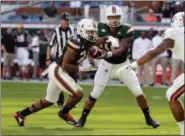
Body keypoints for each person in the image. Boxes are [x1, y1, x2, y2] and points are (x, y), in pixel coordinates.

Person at [13, 18, 119, 127]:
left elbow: (99, 40)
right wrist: (84, 69)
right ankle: (63, 113)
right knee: (78, 93)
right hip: (59, 70)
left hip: (62, 71)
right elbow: (66, 65)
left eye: (93, 32)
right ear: (82, 31)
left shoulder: (87, 40)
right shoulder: (75, 43)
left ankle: (20, 114)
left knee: (49, 100)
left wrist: (109, 38)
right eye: (90, 32)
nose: (93, 34)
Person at [75, 5, 160, 128]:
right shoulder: (100, 27)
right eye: (112, 17)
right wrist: (102, 40)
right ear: (107, 17)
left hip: (123, 66)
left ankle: (148, 118)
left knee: (138, 92)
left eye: (116, 17)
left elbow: (122, 49)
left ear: (121, 17)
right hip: (106, 65)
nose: (114, 19)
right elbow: (91, 42)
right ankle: (82, 119)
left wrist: (107, 53)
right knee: (95, 93)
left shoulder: (127, 29)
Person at [119, 12, 184, 135]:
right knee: (171, 93)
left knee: (172, 95)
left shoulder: (173, 33)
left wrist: (132, 65)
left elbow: (154, 52)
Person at [46, 12, 75, 107]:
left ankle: (72, 101)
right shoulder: (56, 31)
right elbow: (50, 45)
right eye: (65, 20)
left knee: (73, 79)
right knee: (59, 79)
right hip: (60, 59)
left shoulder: (72, 30)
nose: (67, 22)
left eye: (68, 20)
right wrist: (48, 58)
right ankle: (60, 101)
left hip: (71, 58)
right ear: (61, 21)